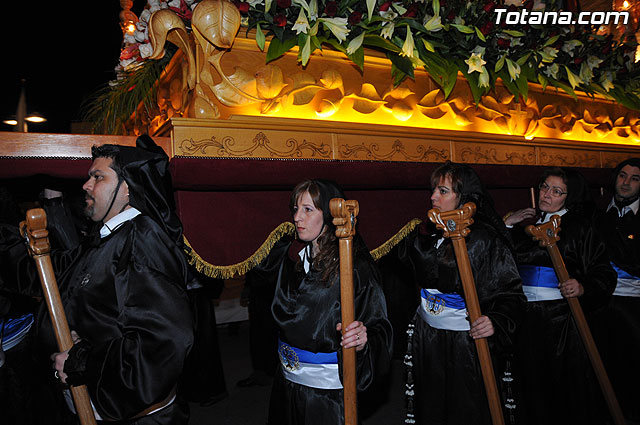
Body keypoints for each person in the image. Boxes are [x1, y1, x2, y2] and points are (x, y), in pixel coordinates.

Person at [0, 136, 195, 424]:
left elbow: (162, 343)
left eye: (98, 177)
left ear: (127, 188)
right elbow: (54, 271)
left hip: (136, 415)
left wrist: (81, 360)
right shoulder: (109, 237)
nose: (85, 185)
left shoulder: (143, 241)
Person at [395, 161, 525, 425]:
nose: (433, 197)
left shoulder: (484, 240)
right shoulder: (430, 234)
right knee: (430, 404)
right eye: (433, 190)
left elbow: (510, 293)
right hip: (428, 338)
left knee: (465, 407)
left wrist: (495, 320)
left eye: (442, 191)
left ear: (463, 197)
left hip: (465, 343)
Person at [265, 179, 393, 425]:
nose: (297, 218)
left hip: (325, 397)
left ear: (330, 215)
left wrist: (363, 340)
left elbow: (380, 328)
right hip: (286, 385)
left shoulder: (354, 267)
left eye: (308, 210)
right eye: (296, 209)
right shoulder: (292, 259)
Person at [504, 167, 616, 425]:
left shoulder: (580, 229)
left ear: (569, 196)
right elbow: (502, 260)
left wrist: (582, 286)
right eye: (545, 187)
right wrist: (508, 224)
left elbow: (603, 272)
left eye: (556, 191)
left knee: (562, 383)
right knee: (529, 381)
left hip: (560, 321)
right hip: (524, 317)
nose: (547, 194)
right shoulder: (525, 226)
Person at [593, 158, 640, 423]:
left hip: (634, 304)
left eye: (634, 178)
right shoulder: (597, 214)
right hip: (599, 302)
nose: (626, 183)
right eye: (623, 176)